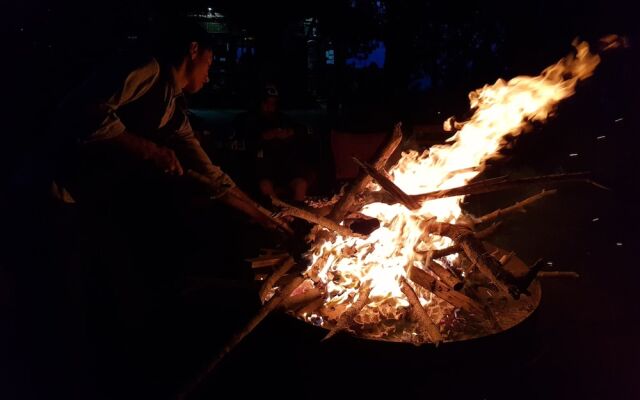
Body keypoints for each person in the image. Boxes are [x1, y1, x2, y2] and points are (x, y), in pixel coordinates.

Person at [50, 20, 288, 398]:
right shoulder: (146, 68)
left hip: (94, 204)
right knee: (66, 301)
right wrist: (148, 149)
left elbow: (213, 178)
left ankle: (119, 372)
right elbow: (83, 110)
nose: (210, 75)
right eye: (210, 62)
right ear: (193, 50)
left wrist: (270, 222)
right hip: (57, 195)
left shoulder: (174, 110)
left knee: (109, 293)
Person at [233, 83, 315, 203]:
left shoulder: (282, 119)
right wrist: (263, 137)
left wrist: (291, 132)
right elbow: (237, 145)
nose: (270, 107)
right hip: (261, 171)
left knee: (301, 184)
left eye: (273, 103)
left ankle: (297, 216)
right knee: (265, 186)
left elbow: (306, 130)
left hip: (285, 169)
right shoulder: (246, 121)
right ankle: (277, 216)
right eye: (266, 103)